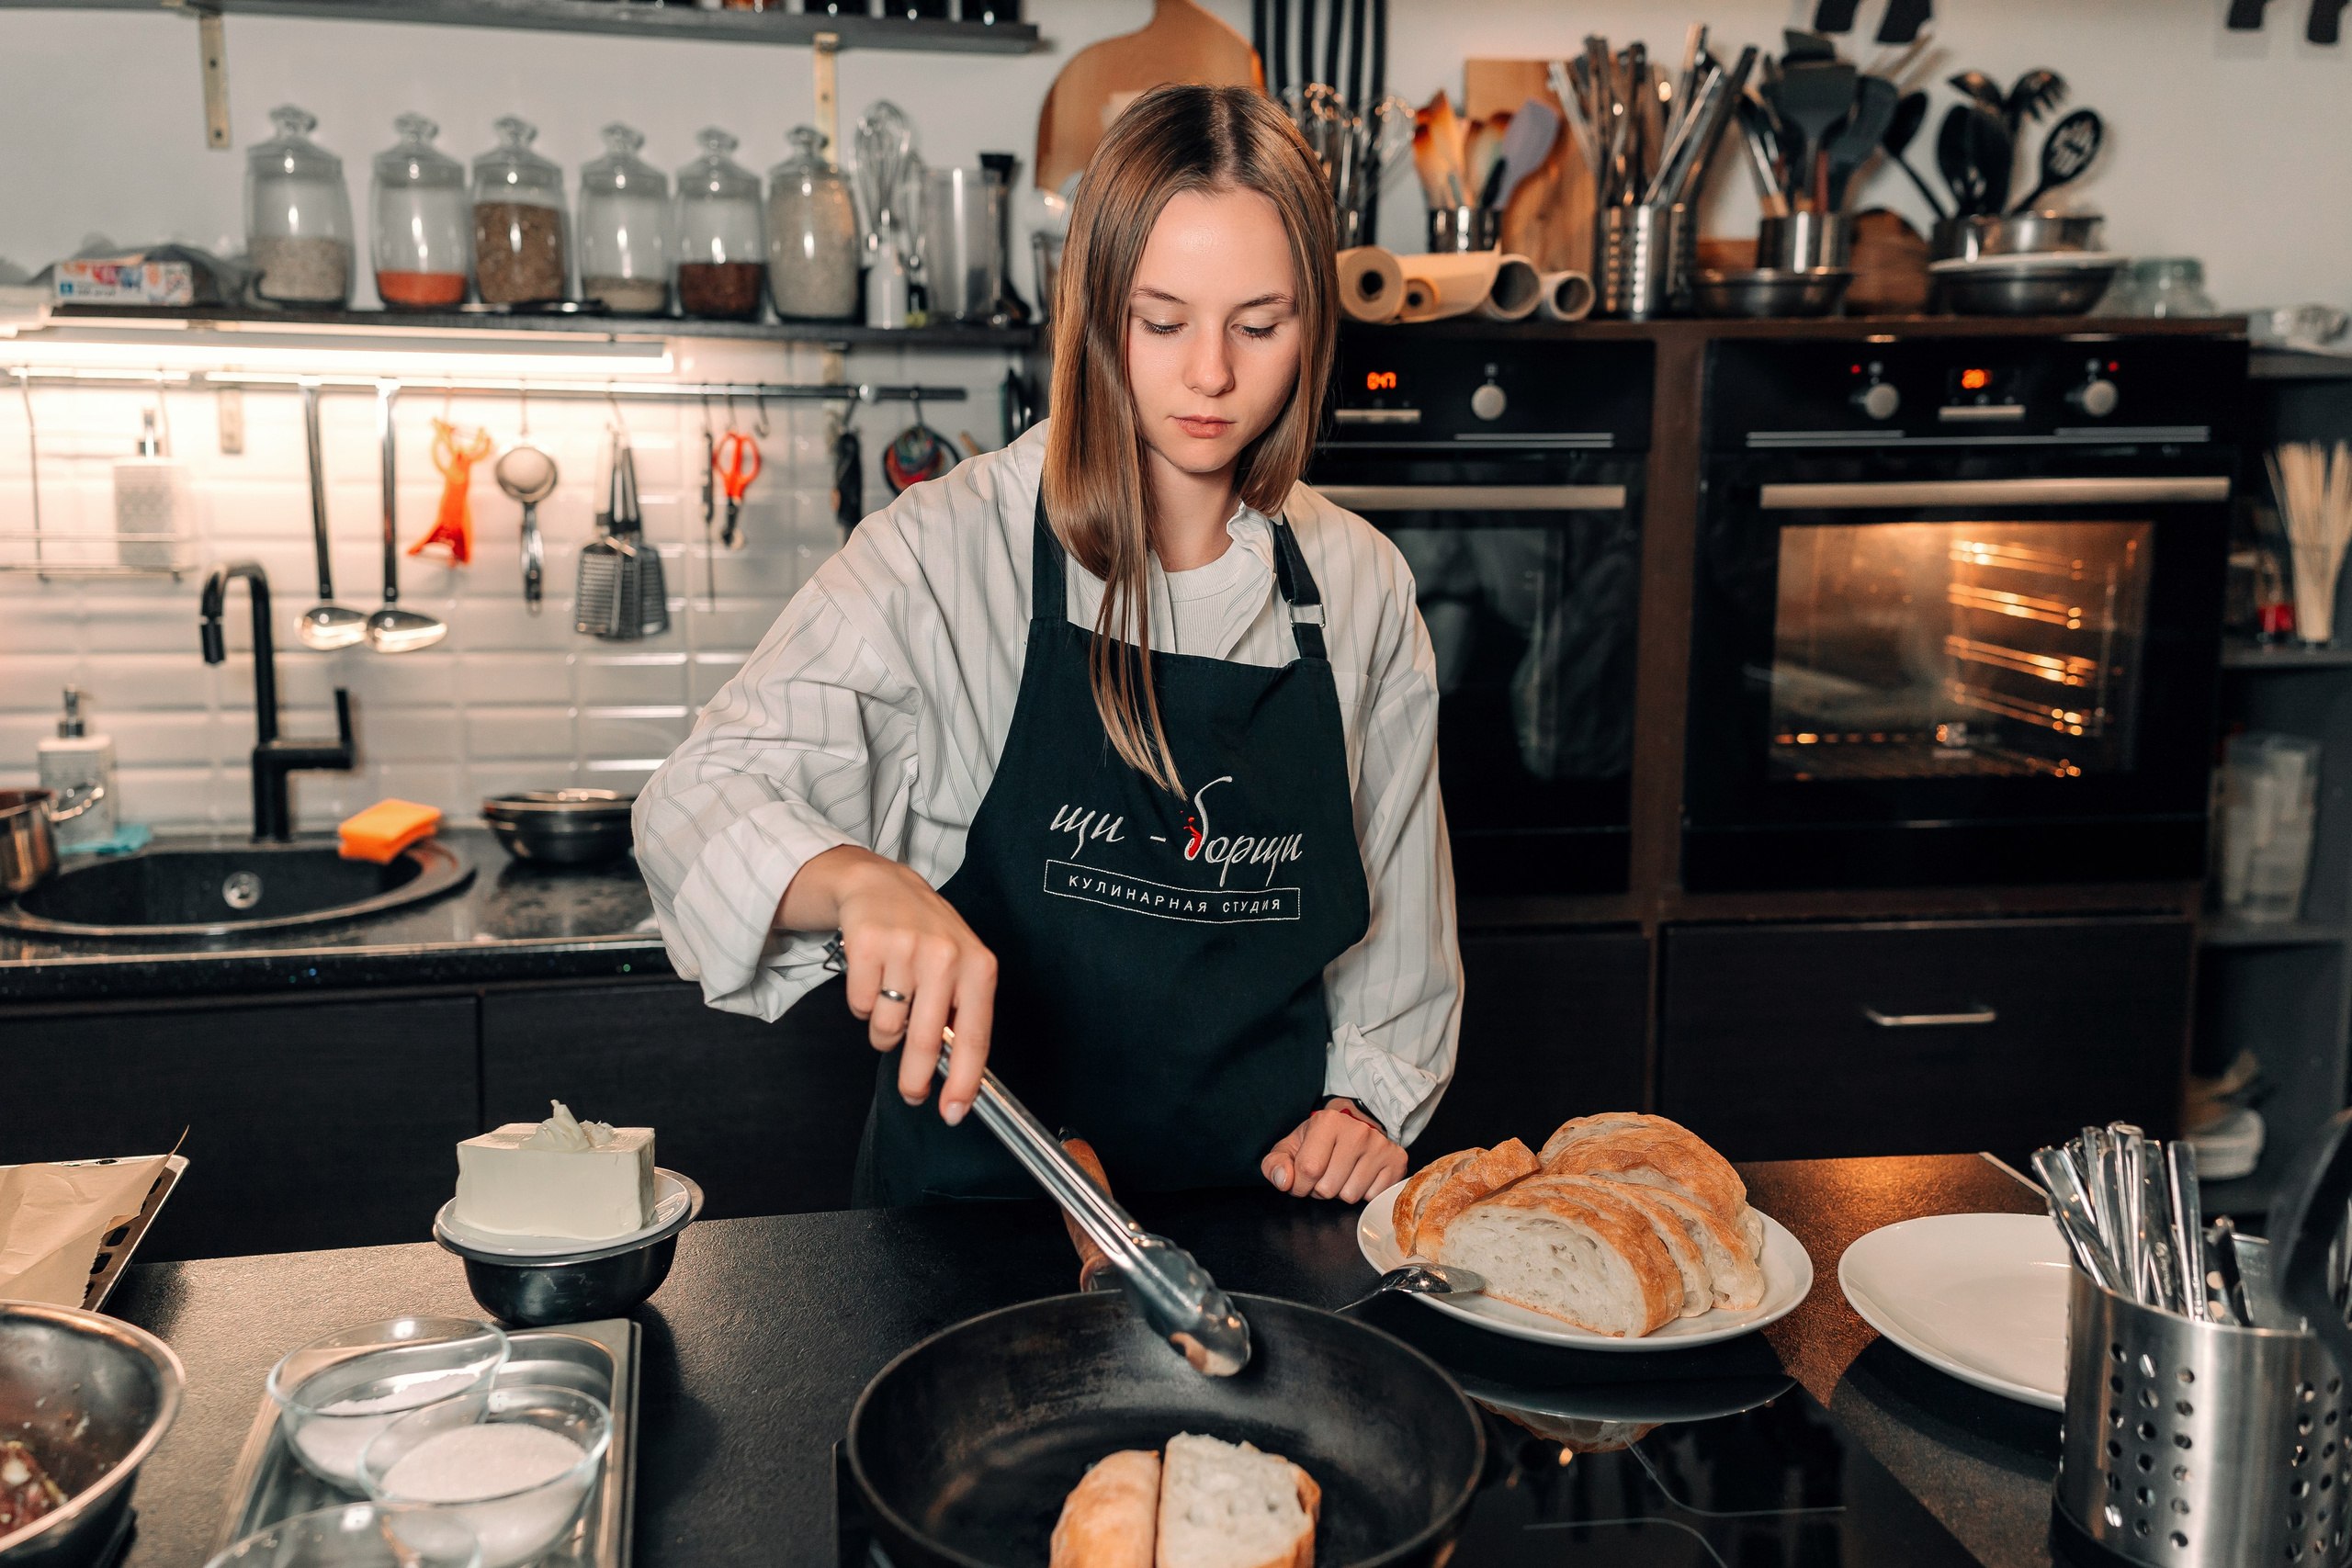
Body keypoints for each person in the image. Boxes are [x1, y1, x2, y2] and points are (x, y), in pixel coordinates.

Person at [635, 83, 1458, 1209]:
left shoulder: (1357, 582)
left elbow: (1398, 926)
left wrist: (1364, 1104)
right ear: (1090, 307)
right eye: (1160, 321)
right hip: (976, 1235)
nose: (1210, 374)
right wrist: (857, 881)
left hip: (1255, 1228)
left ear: (1313, 321)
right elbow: (698, 798)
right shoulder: (944, 549)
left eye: (1259, 325)